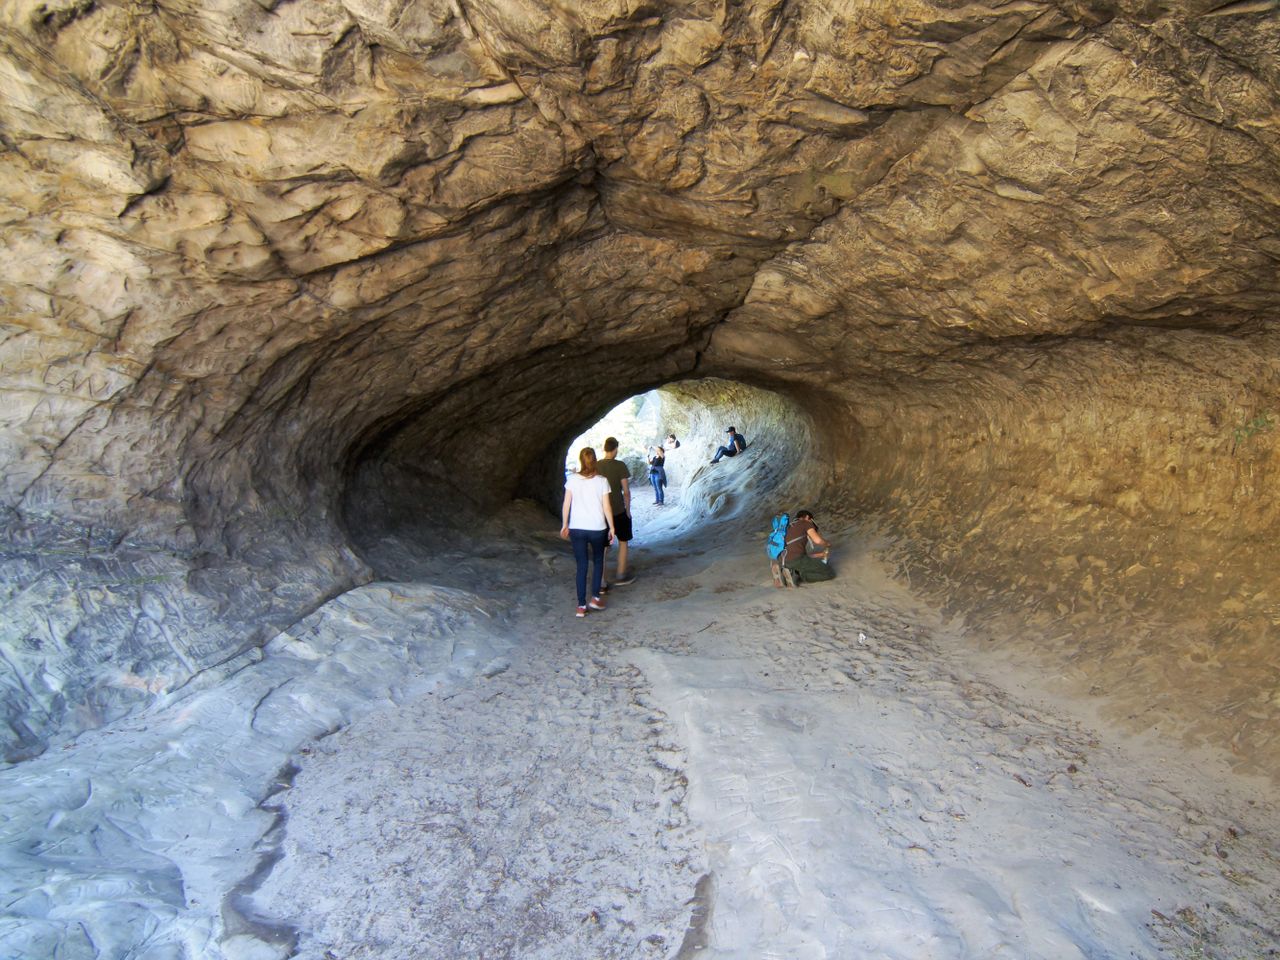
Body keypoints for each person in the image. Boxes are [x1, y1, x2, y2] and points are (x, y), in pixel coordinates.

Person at [561, 447, 615, 617]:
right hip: (597, 528)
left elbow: (566, 504)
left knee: (582, 565)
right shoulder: (602, 481)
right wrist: (612, 527)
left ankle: (581, 606)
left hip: (577, 528)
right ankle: (595, 597)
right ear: (595, 460)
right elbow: (607, 506)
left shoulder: (572, 480)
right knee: (598, 561)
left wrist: (565, 524)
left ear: (581, 460)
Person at [596, 436, 636, 585]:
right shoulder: (620, 466)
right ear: (615, 449)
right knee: (623, 542)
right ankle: (621, 575)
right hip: (618, 510)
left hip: (601, 513)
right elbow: (626, 491)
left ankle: (600, 581)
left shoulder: (596, 466)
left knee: (603, 546)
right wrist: (628, 510)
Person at [782, 509, 834, 586]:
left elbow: (801, 555)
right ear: (807, 517)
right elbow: (818, 540)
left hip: (784, 560)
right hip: (796, 560)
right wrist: (827, 544)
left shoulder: (790, 526)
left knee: (803, 563)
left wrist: (820, 555)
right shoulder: (806, 523)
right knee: (829, 573)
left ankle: (790, 570)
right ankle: (800, 576)